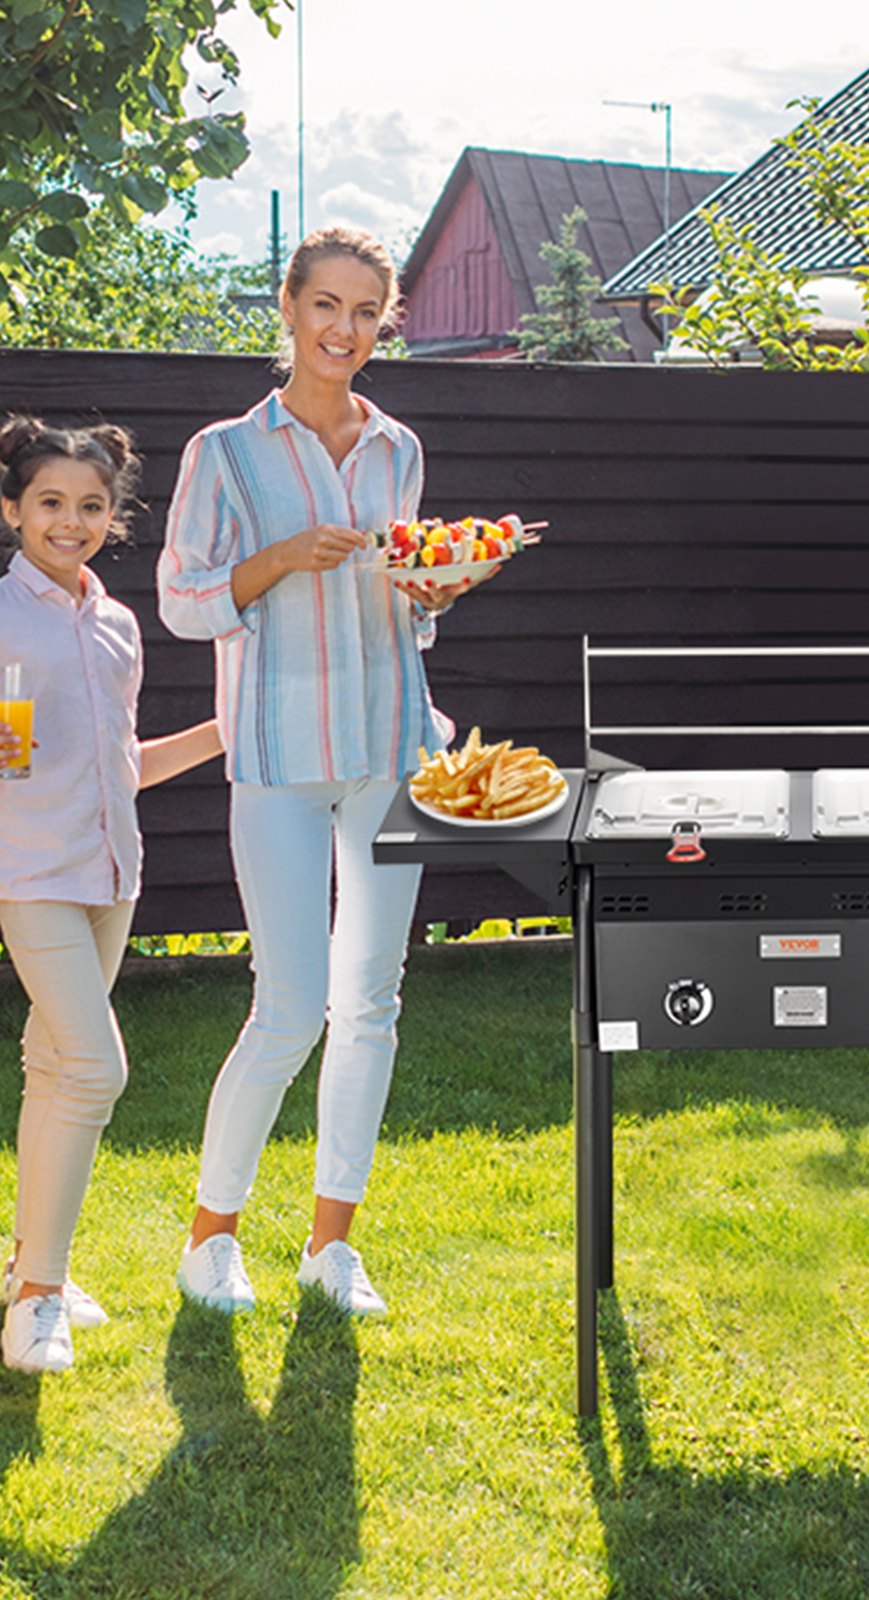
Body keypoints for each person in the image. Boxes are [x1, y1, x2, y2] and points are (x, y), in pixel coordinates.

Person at [159, 226, 486, 1319]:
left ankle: (329, 1245)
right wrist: (277, 559)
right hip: (281, 760)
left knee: (372, 1005)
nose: (343, 330)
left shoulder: (398, 449)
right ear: (289, 307)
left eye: (364, 312)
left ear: (383, 323)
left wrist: (428, 595)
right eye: (325, 306)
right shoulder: (227, 451)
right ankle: (211, 1239)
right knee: (290, 1008)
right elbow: (182, 600)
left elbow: (399, 599)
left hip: (392, 747)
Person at [0, 417, 222, 1374]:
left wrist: (223, 731)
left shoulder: (120, 624)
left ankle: (26, 1270)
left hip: (112, 875)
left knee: (54, 1067)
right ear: (13, 510)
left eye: (91, 505)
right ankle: (37, 1303)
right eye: (50, 502)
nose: (71, 520)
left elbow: (121, 764)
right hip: (31, 874)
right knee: (95, 1071)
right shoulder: (3, 620)